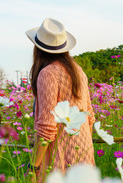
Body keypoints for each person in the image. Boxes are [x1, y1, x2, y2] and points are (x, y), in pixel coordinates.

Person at [25, 18, 96, 182]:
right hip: (84, 150)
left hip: (61, 155)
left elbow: (47, 127)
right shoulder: (78, 71)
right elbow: (89, 116)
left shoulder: (48, 74)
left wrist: (34, 167)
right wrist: (85, 150)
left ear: (38, 49)